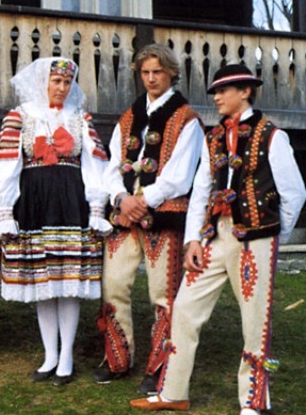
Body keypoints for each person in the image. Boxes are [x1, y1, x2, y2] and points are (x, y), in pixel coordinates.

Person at [130, 64, 306, 415]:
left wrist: (272, 237)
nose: (217, 97)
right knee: (185, 308)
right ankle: (173, 392)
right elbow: (201, 191)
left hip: (256, 240)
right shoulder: (213, 138)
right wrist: (194, 240)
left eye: (224, 90)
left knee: (255, 320)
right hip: (215, 238)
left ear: (245, 92)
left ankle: (253, 401)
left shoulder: (272, 136)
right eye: (215, 91)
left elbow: (294, 193)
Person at [0, 57, 111, 386]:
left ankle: (66, 357)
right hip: (34, 201)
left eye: (67, 82)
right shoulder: (20, 116)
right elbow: (7, 165)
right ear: (42, 82)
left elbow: (95, 164)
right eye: (56, 81)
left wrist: (96, 208)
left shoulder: (80, 118)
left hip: (71, 201)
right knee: (44, 282)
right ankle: (50, 356)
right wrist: (5, 212)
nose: (62, 88)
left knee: (67, 280)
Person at [94, 43, 205, 394]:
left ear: (171, 73)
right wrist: (121, 198)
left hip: (165, 216)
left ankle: (160, 365)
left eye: (158, 71)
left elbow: (180, 176)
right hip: (124, 215)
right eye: (145, 72)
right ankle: (117, 357)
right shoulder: (128, 117)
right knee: (113, 285)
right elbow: (111, 166)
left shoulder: (187, 119)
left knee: (163, 293)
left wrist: (141, 201)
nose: (151, 78)